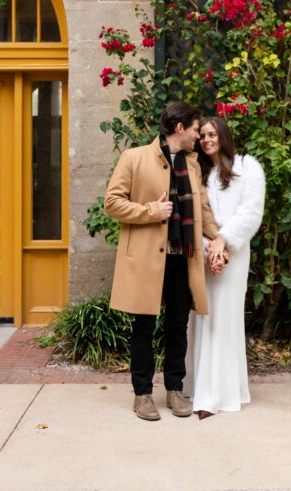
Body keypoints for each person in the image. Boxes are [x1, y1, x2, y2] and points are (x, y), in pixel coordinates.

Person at [103, 101, 227, 421]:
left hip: (182, 256)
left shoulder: (192, 164)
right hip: (146, 259)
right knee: (143, 327)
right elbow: (112, 203)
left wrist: (218, 239)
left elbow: (202, 209)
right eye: (195, 129)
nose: (198, 135)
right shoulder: (134, 158)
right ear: (180, 128)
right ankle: (142, 394)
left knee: (177, 326)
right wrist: (151, 211)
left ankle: (174, 389)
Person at [185, 116, 266, 418]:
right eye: (202, 136)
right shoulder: (200, 173)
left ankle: (218, 395)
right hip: (207, 254)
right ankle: (200, 387)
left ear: (223, 135)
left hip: (234, 253)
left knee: (225, 319)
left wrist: (224, 243)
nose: (206, 140)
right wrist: (210, 247)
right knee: (202, 318)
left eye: (212, 134)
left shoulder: (248, 167)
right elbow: (197, 215)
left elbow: (251, 212)